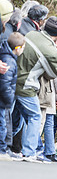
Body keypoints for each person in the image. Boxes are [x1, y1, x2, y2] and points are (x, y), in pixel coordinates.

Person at [16, 16, 57, 162]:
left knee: (17, 118)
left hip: (14, 80)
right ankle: (29, 151)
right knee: (35, 116)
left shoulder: (31, 34)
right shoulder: (50, 50)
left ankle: (10, 148)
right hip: (27, 86)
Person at [0, 32, 25, 160]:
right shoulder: (9, 60)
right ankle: (2, 149)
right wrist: (9, 98)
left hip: (4, 98)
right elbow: (5, 83)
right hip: (3, 99)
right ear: (18, 48)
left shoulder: (7, 56)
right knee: (2, 124)